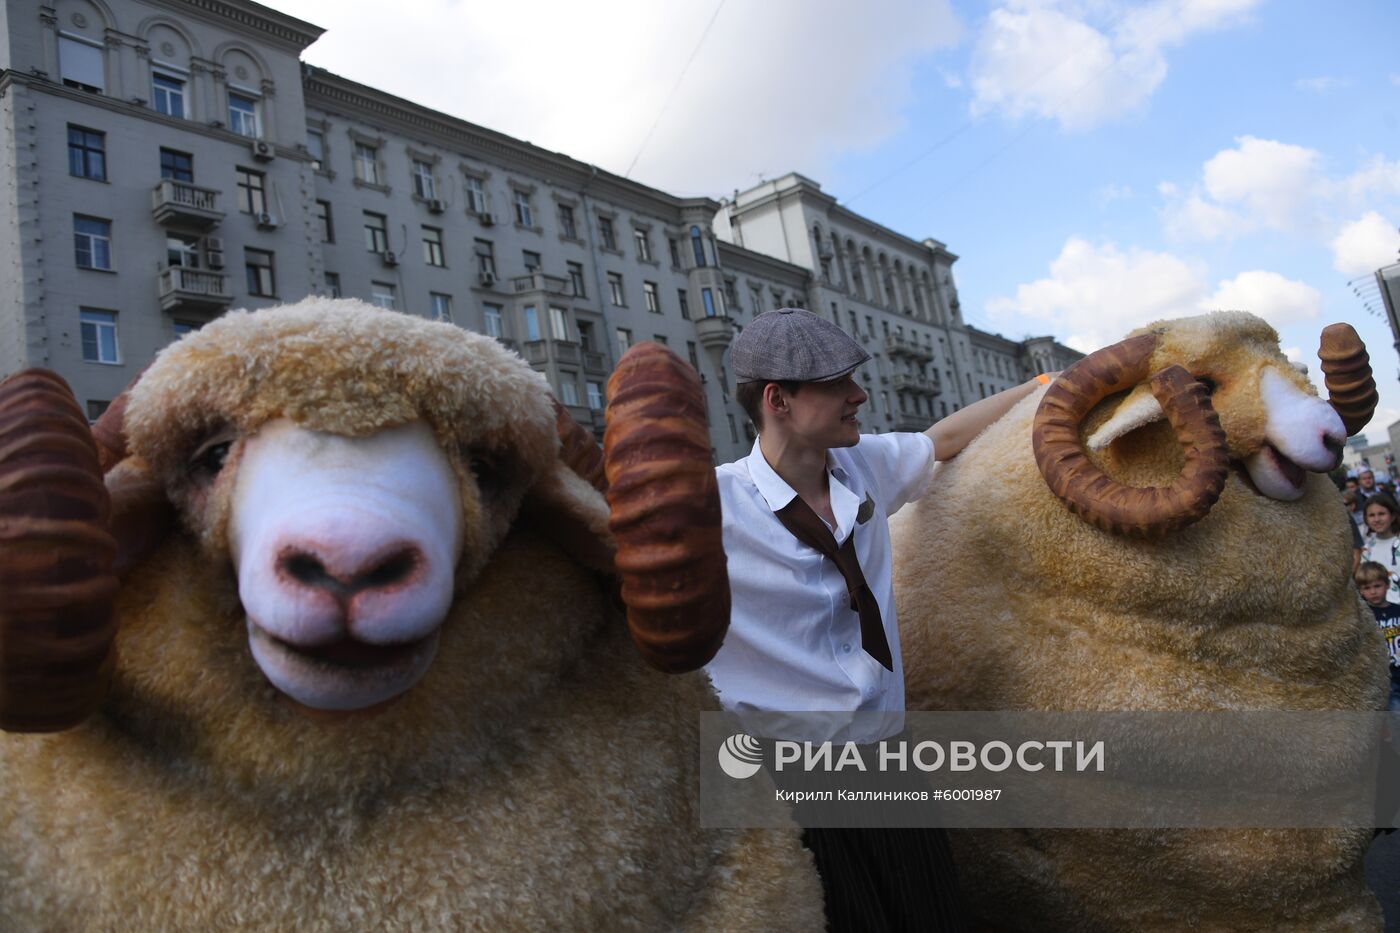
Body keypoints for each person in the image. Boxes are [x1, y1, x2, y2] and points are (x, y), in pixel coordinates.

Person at [704, 307, 1051, 932]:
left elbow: (942, 440)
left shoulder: (864, 465)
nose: (859, 395)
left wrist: (1038, 389)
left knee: (932, 915)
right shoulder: (708, 507)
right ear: (778, 400)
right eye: (837, 383)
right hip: (788, 788)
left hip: (889, 764)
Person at [1356, 561, 1400, 712]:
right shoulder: (1363, 616)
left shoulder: (1398, 611)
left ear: (1387, 585)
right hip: (1382, 677)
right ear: (1360, 591)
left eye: (1377, 586)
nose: (1373, 592)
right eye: (1367, 588)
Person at [1361, 492, 1400, 606]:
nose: (1377, 519)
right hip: (1381, 616)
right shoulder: (1367, 551)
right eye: (1372, 515)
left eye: (1381, 514)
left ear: (1392, 516)